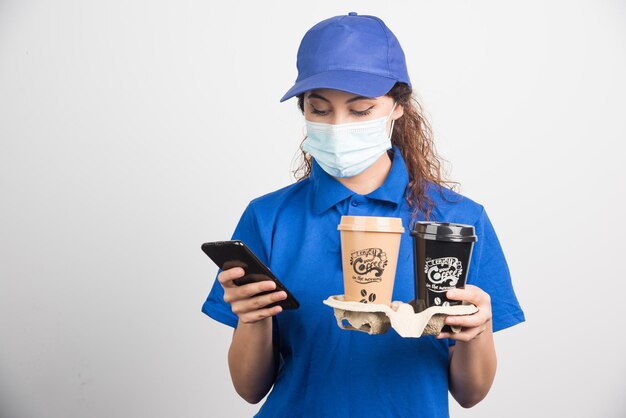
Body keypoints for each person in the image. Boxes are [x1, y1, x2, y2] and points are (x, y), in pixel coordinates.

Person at [202, 12, 525, 417]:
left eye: (360, 111)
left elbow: (470, 394)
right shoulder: (268, 218)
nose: (338, 126)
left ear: (398, 107)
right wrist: (253, 318)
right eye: (319, 110)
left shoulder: (459, 223)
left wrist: (477, 332)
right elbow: (249, 390)